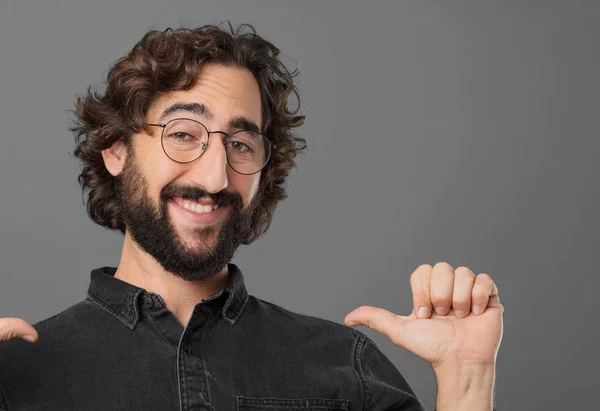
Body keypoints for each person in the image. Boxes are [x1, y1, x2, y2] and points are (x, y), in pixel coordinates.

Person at [0, 23, 503, 411]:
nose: (217, 176)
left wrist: (466, 378)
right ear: (115, 150)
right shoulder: (15, 374)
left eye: (241, 144)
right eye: (182, 133)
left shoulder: (343, 366)